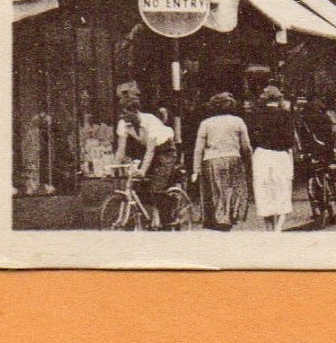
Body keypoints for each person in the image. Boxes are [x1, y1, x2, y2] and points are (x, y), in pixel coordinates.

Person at [113, 82, 178, 228]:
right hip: (147, 150)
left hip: (165, 150)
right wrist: (113, 167)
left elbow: (151, 150)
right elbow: (121, 149)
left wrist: (143, 170)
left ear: (136, 112)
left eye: (127, 113)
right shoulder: (123, 123)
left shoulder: (150, 121)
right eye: (122, 113)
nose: (124, 117)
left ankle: (167, 221)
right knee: (139, 186)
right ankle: (148, 219)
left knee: (157, 187)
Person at [191, 92, 251, 231]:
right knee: (232, 189)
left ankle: (218, 220)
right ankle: (228, 217)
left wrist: (196, 169)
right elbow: (246, 146)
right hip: (233, 159)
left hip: (211, 161)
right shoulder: (238, 121)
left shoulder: (205, 123)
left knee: (215, 191)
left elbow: (198, 149)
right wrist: (249, 161)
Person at [246, 85, 296, 231]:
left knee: (264, 190)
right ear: (279, 98)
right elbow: (290, 140)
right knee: (281, 189)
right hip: (280, 156)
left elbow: (252, 139)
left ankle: (268, 227)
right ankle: (278, 228)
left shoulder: (256, 115)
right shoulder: (286, 115)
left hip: (262, 155)